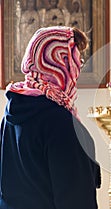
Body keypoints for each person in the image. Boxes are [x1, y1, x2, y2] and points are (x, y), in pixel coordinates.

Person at [0, 26, 101, 209]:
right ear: (58, 64)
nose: (77, 69)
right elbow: (75, 201)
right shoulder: (60, 122)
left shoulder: (12, 111)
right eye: (76, 60)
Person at [18, 0, 41, 65]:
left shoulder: (35, 14)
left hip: (33, 36)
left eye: (32, 3)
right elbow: (21, 26)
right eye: (29, 2)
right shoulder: (25, 14)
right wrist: (28, 23)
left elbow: (38, 26)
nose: (31, 4)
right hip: (26, 36)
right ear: (27, 3)